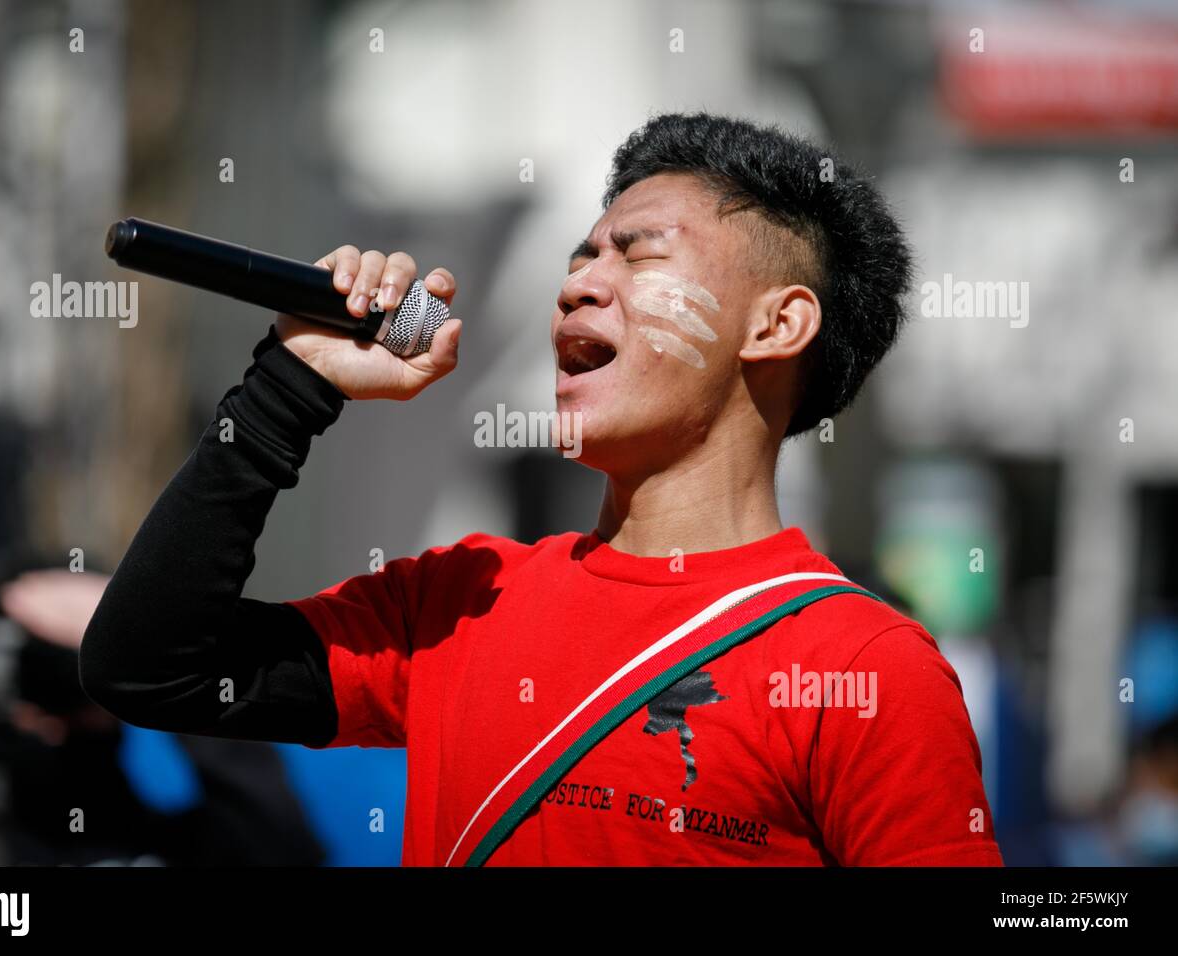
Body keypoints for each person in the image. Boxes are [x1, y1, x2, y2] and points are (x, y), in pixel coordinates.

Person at [80, 112, 1003, 866]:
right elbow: (150, 667)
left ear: (777, 324)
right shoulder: (459, 601)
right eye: (579, 258)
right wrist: (291, 384)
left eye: (639, 257)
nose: (577, 289)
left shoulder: (868, 670)